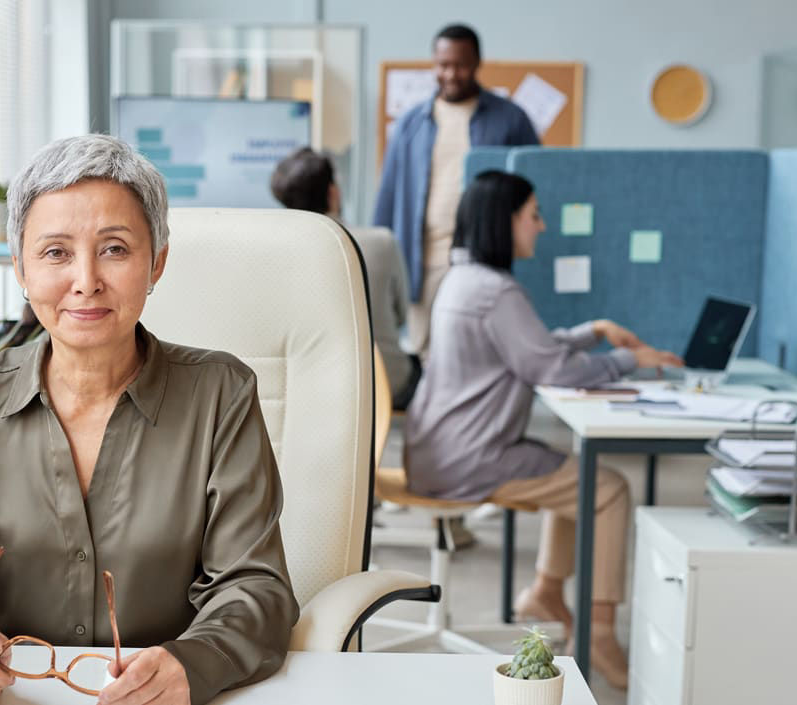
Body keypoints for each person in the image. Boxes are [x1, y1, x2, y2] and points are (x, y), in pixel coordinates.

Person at [0, 134, 299, 705]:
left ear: (157, 262)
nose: (86, 280)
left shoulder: (222, 395)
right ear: (19, 267)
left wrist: (193, 664)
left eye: (115, 249)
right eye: (55, 252)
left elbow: (256, 587)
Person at [404, 170, 683, 689]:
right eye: (533, 214)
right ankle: (599, 632)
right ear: (503, 220)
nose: (542, 225)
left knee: (576, 475)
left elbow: (529, 347)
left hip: (440, 450)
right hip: (471, 458)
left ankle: (547, 591)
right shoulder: (497, 290)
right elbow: (551, 369)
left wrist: (593, 332)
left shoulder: (461, 280)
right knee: (608, 488)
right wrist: (629, 359)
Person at [373, 23, 540, 361]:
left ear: (477, 63)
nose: (450, 73)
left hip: (483, 262)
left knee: (480, 356)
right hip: (423, 263)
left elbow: (532, 191)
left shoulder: (510, 119)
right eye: (442, 65)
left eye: (460, 65)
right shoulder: (410, 124)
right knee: (425, 357)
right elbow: (388, 198)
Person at [270, 146, 419, 408]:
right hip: (385, 385)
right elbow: (401, 317)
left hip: (314, 388)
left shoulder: (276, 253)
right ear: (333, 193)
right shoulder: (381, 242)